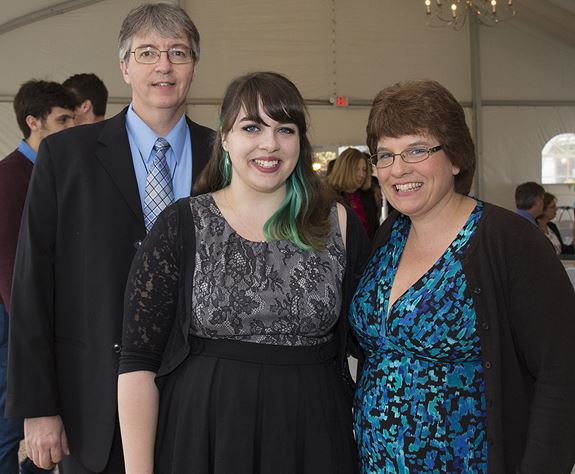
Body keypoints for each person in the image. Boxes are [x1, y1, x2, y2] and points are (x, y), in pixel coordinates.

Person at [117, 71, 369, 474]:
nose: (269, 143)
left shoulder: (337, 224)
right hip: (206, 435)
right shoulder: (183, 224)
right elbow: (137, 362)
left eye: (284, 129)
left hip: (313, 432)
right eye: (251, 127)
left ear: (299, 142)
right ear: (224, 138)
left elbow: (372, 343)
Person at [6, 3, 214, 472]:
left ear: (194, 67)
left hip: (201, 396)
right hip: (93, 401)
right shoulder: (66, 157)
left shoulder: (223, 156)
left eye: (178, 52)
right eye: (147, 53)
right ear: (124, 66)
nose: (164, 65)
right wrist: (38, 407)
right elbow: (33, 284)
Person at [350, 79, 575, 472]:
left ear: (455, 157)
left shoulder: (509, 241)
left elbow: (562, 372)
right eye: (384, 155)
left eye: (416, 150)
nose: (397, 169)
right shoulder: (389, 236)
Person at [0, 80, 76, 474]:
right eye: (62, 119)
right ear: (33, 122)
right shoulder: (10, 177)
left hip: (41, 320)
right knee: (12, 428)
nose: (70, 128)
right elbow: (10, 266)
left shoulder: (55, 172)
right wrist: (29, 332)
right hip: (14, 324)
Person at [326, 147, 379, 239]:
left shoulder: (368, 195)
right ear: (344, 170)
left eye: (364, 170)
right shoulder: (328, 196)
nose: (362, 175)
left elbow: (374, 229)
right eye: (356, 169)